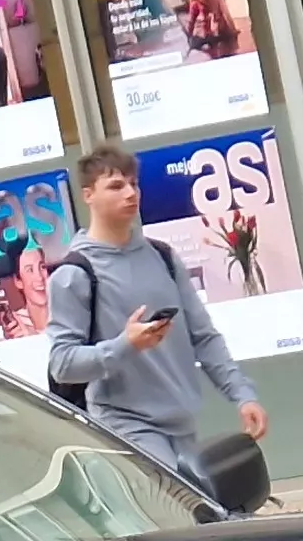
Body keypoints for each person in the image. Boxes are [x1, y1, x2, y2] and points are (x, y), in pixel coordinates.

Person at [46, 144, 267, 487]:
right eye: (116, 186)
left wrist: (242, 394)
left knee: (201, 518)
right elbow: (63, 363)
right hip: (125, 424)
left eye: (134, 184)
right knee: (179, 513)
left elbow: (203, 337)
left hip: (182, 423)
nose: (131, 193)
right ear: (88, 195)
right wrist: (124, 345)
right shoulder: (74, 273)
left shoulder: (163, 257)